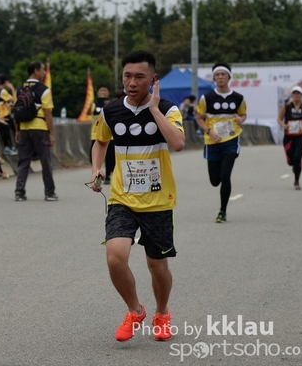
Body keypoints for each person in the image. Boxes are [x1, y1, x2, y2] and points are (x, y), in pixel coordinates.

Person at [91, 49, 185, 342]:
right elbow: (100, 141)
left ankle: (162, 313)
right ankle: (135, 310)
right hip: (122, 198)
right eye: (127, 76)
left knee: (157, 265)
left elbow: (178, 143)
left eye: (140, 77)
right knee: (115, 257)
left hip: (158, 201)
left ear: (153, 79)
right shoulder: (110, 111)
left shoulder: (168, 110)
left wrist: (154, 109)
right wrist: (97, 168)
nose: (132, 83)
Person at [195, 62, 247, 223]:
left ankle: (222, 211)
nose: (220, 77)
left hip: (231, 139)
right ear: (214, 78)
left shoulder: (238, 98)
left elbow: (243, 114)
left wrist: (241, 119)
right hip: (212, 141)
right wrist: (209, 131)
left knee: (225, 175)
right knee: (214, 180)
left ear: (229, 77)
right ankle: (222, 207)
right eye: (217, 75)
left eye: (223, 74)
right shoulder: (206, 98)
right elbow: (199, 117)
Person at [14, 60, 57, 201]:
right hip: (40, 128)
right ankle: (49, 193)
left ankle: (19, 191)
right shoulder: (44, 89)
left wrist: (17, 131)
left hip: (24, 128)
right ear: (36, 71)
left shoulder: (19, 89)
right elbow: (48, 113)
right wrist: (51, 133)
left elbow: (16, 111)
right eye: (43, 70)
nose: (44, 73)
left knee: (23, 161)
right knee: (45, 161)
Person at [277, 86, 302, 190]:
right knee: (291, 161)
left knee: (297, 158)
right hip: (289, 137)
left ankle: (296, 181)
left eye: (298, 93)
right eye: (294, 93)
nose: (296, 95)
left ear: (301, 95)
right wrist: (284, 125)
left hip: (301, 136)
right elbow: (279, 119)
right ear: (292, 95)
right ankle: (293, 165)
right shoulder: (287, 107)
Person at [89, 84, 115, 184]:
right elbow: (88, 113)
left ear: (108, 93)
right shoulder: (94, 104)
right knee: (92, 156)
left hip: (109, 135)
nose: (103, 92)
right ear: (97, 92)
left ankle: (107, 175)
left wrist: (109, 105)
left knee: (110, 157)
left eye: (105, 90)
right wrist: (90, 105)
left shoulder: (112, 104)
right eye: (101, 90)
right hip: (95, 134)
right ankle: (97, 170)